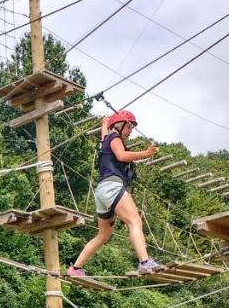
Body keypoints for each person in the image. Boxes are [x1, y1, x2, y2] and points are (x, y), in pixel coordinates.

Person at [67, 110, 164, 277]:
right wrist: (146, 154)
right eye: (128, 127)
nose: (130, 131)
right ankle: (144, 262)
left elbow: (105, 135)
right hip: (113, 186)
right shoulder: (115, 138)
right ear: (119, 125)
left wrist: (104, 123)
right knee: (134, 221)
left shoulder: (107, 139)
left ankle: (75, 269)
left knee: (104, 234)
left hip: (102, 191)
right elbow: (121, 155)